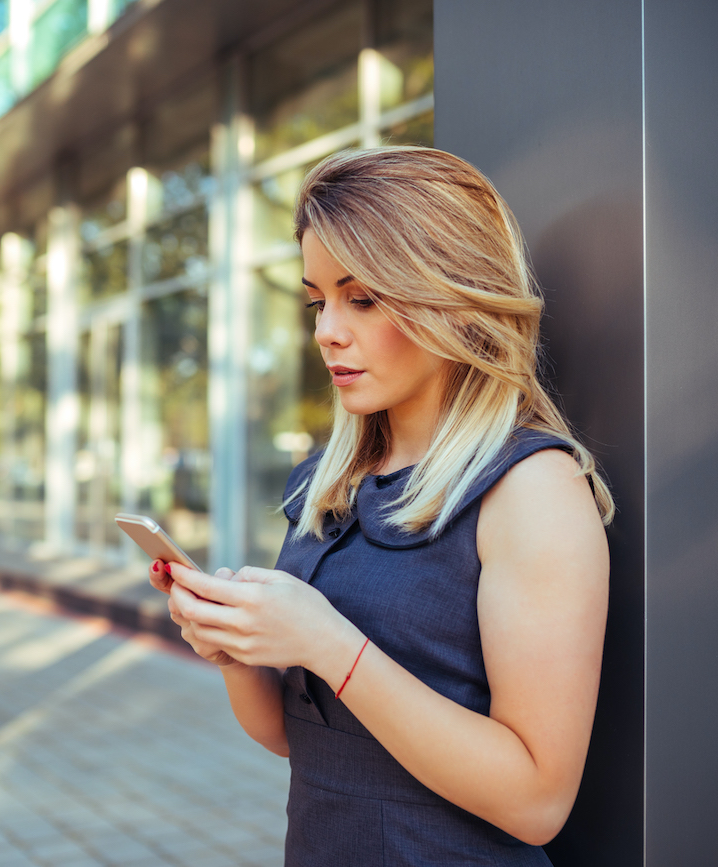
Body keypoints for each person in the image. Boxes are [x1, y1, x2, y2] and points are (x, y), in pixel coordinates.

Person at [147, 146, 613, 866]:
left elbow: (536, 802)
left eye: (362, 297)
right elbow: (294, 735)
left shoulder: (531, 489)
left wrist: (328, 642)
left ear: (452, 295)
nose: (327, 330)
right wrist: (236, 648)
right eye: (318, 299)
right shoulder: (329, 480)